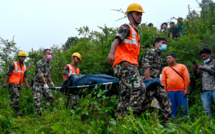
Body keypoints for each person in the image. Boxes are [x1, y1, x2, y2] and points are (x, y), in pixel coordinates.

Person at [106, 3, 146, 116]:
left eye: (141, 14)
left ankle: (120, 121)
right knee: (140, 88)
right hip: (125, 64)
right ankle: (131, 118)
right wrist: (111, 53)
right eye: (137, 14)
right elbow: (116, 39)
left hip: (130, 64)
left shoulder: (135, 32)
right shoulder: (126, 27)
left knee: (125, 94)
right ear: (129, 16)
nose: (140, 16)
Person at [141, 37, 171, 121]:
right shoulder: (151, 52)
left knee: (165, 100)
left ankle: (167, 123)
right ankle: (134, 120)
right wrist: (148, 82)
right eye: (163, 42)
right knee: (145, 104)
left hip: (156, 81)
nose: (165, 45)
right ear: (156, 44)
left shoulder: (159, 55)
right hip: (150, 81)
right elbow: (147, 67)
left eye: (165, 43)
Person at [162, 54, 190, 118]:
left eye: (169, 58)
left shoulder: (182, 66)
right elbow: (163, 81)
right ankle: (173, 122)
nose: (168, 60)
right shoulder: (165, 69)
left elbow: (187, 78)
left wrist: (186, 89)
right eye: (167, 58)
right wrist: (164, 90)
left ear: (174, 58)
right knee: (171, 108)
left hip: (181, 90)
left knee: (183, 106)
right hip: (169, 91)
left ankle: (185, 120)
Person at [3, 51, 29, 117]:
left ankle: (9, 110)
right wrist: (5, 83)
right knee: (16, 96)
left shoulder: (24, 67)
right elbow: (8, 74)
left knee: (13, 98)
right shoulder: (13, 64)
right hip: (13, 83)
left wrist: (27, 84)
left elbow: (24, 76)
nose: (22, 58)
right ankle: (17, 112)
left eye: (24, 57)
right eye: (21, 57)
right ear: (19, 57)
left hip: (19, 84)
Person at [192, 48, 215, 118]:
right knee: (206, 109)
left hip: (214, 89)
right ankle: (209, 125)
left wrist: (204, 68)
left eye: (204, 56)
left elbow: (213, 72)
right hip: (204, 90)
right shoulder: (202, 65)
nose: (203, 58)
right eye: (202, 57)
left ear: (210, 54)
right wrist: (195, 70)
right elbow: (197, 76)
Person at [32, 49, 54, 115]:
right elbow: (40, 74)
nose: (50, 55)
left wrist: (51, 82)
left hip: (45, 84)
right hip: (38, 84)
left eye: (51, 54)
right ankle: (36, 115)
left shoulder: (49, 64)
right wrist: (45, 84)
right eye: (49, 54)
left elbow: (48, 74)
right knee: (37, 100)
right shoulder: (40, 63)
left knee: (50, 98)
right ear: (44, 54)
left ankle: (42, 111)